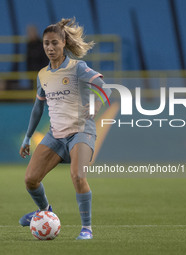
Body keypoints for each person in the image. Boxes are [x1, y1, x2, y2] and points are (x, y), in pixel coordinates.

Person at [19, 18, 112, 240]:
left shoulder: (76, 67)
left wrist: (96, 105)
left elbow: (103, 85)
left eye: (54, 43)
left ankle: (87, 228)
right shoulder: (42, 75)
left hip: (81, 131)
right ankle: (45, 212)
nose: (50, 48)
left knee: (78, 175)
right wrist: (27, 137)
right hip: (56, 135)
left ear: (63, 43)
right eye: (46, 44)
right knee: (31, 179)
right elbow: (37, 107)